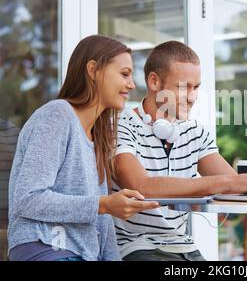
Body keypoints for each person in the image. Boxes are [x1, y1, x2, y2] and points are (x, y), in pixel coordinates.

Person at [113, 41, 247, 261]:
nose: (192, 97)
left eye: (196, 87)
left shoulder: (195, 132)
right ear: (154, 81)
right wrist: (227, 183)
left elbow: (233, 185)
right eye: (184, 87)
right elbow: (141, 187)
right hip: (135, 248)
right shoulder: (120, 125)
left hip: (183, 247)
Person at [7, 35, 159, 261]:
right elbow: (28, 199)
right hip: (46, 247)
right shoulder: (56, 115)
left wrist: (104, 208)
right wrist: (104, 204)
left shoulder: (97, 135)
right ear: (93, 70)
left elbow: (102, 219)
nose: (132, 84)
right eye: (124, 74)